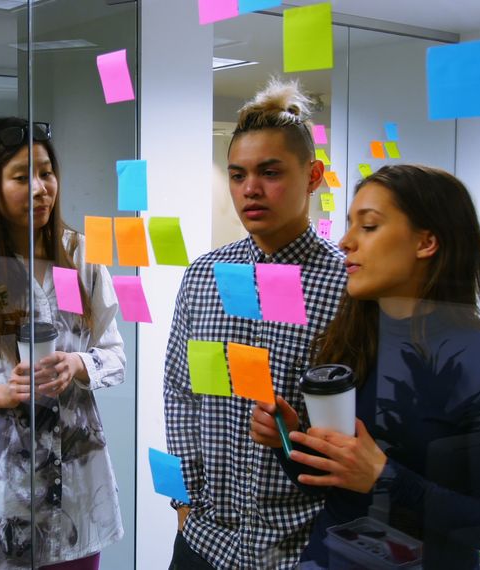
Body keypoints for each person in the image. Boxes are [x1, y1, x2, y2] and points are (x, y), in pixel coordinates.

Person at [250, 164, 480, 568]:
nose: (346, 242)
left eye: (368, 226)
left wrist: (385, 477)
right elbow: (331, 485)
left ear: (426, 242)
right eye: (349, 225)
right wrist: (288, 440)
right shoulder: (350, 339)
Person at [0, 117, 125, 570]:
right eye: (20, 177)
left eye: (46, 173)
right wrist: (0, 392)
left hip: (74, 492)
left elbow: (114, 356)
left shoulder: (81, 257)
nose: (39, 189)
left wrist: (77, 364)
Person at [164, 78, 347, 569]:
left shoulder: (347, 286)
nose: (251, 189)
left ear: (313, 176)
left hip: (301, 546)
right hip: (206, 540)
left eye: (270, 172)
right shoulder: (204, 276)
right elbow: (181, 394)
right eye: (238, 175)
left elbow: (355, 422)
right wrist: (185, 504)